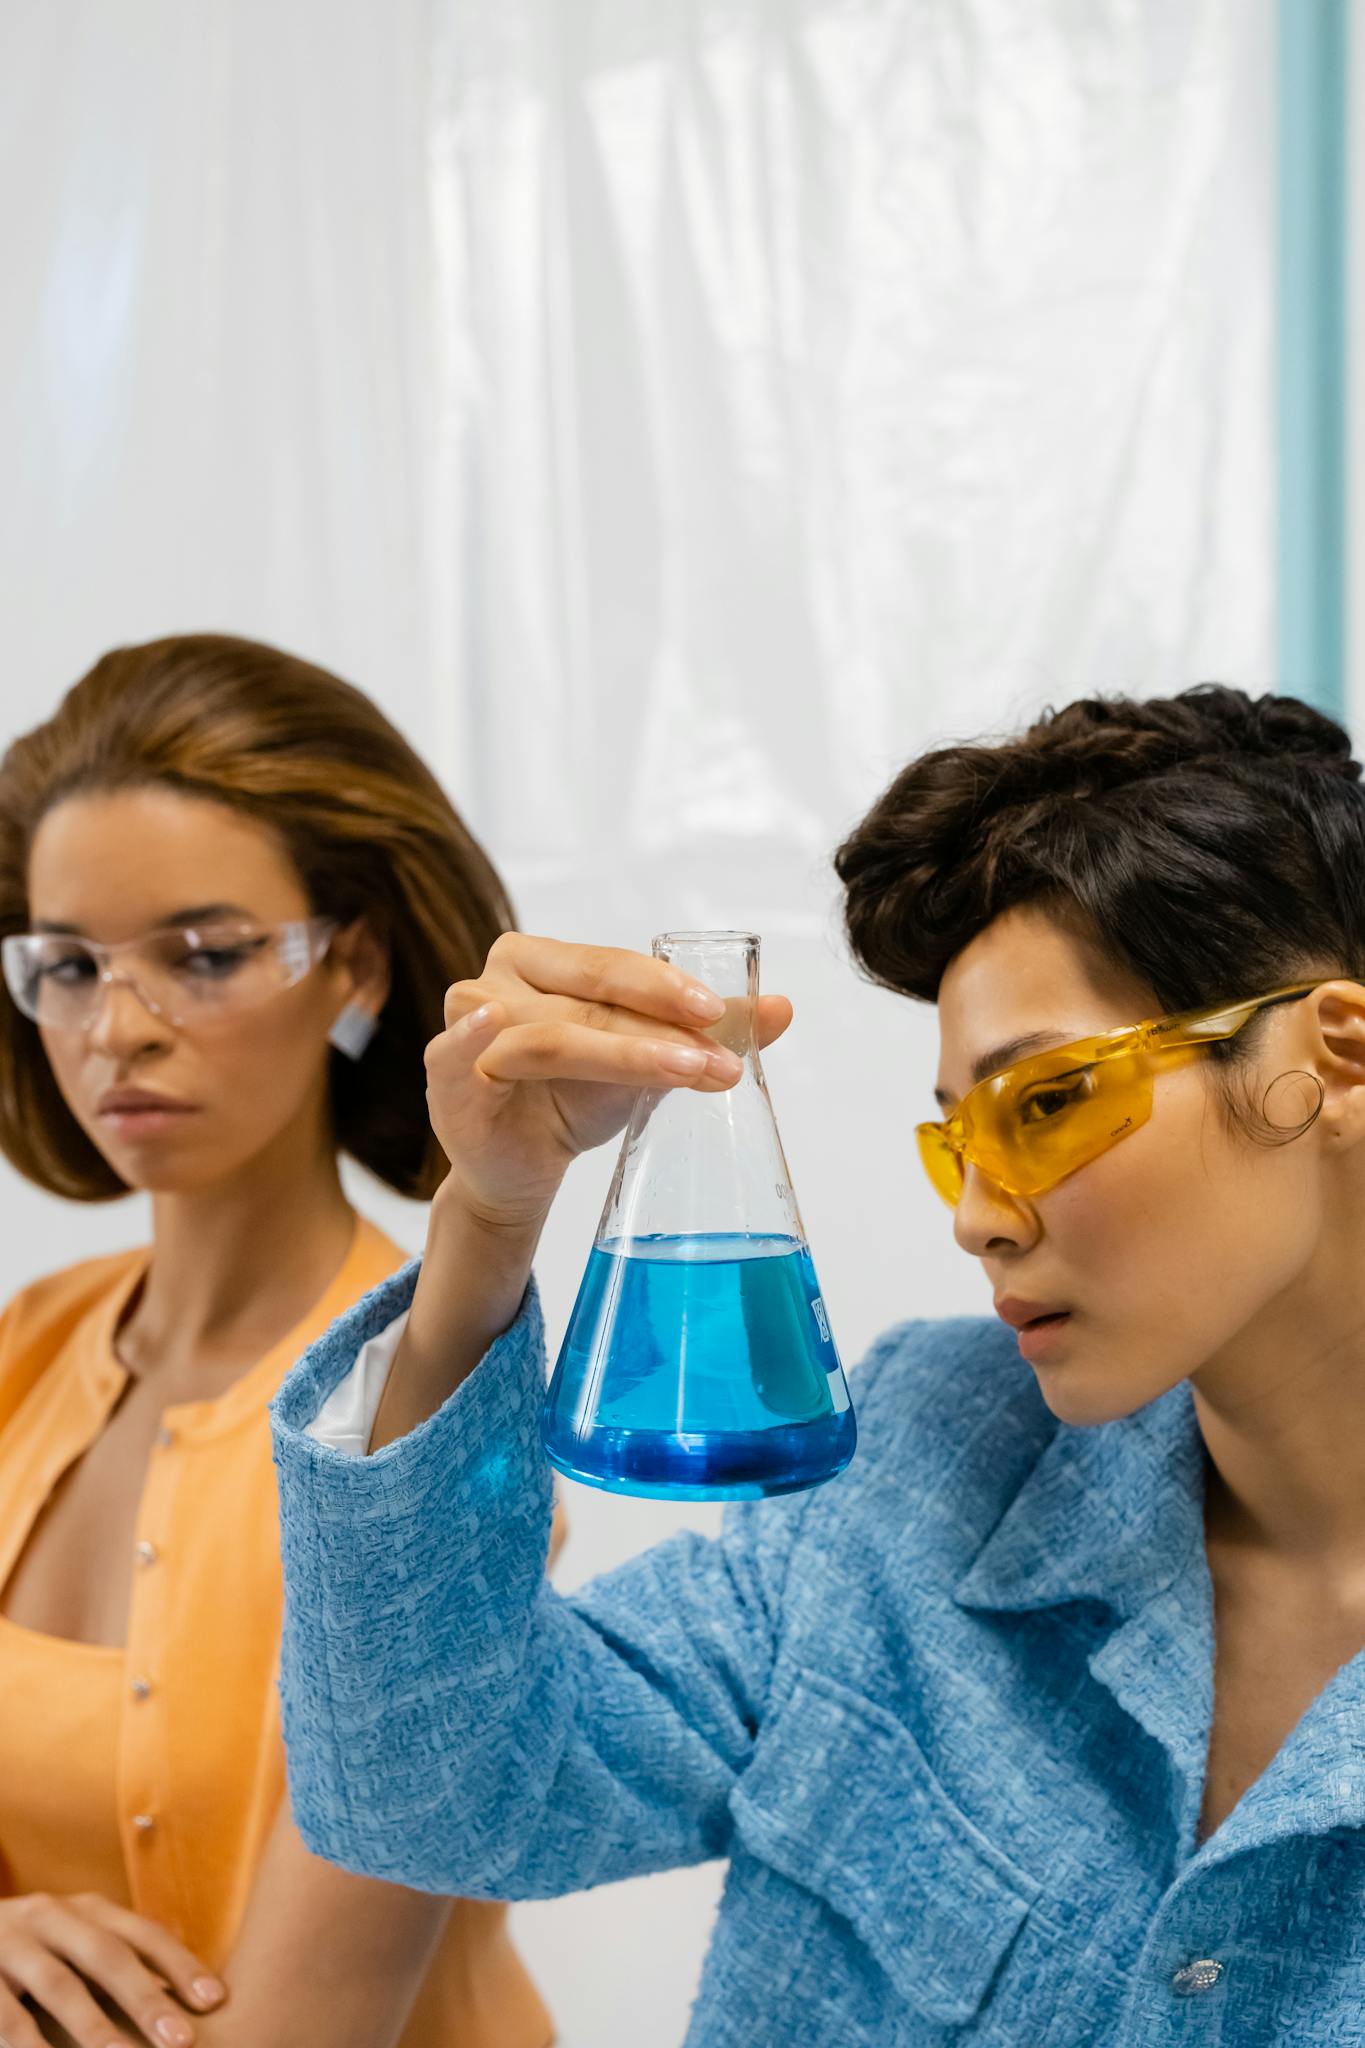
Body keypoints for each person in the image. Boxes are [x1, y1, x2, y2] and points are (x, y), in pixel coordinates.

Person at [270, 682, 1365, 2044]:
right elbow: (435, 1788)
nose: (974, 1215)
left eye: (1045, 1102)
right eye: (954, 1138)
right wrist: (488, 1217)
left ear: (1333, 1056)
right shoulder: (930, 1462)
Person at [0, 635, 557, 2048]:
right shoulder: (23, 1351)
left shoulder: (423, 1408)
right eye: (67, 965)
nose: (118, 1029)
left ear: (351, 963)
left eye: (203, 955)